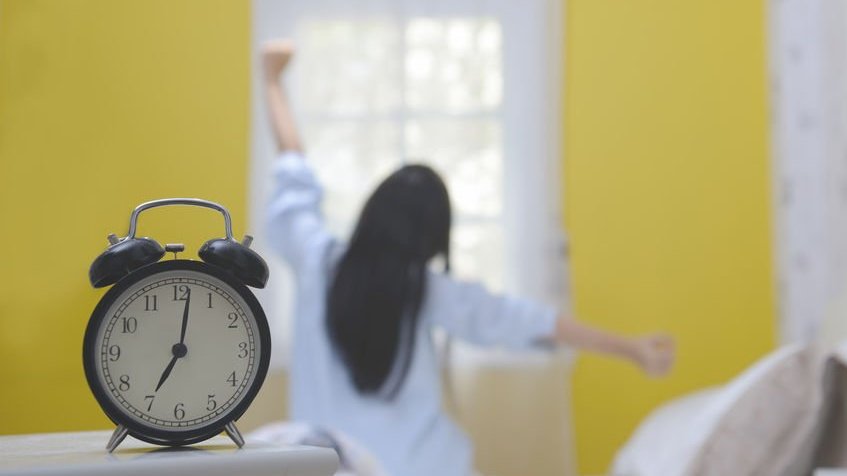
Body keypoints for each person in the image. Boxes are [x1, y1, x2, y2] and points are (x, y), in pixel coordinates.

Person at [262, 39, 674, 476]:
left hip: (332, 467)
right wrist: (630, 349)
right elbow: (532, 321)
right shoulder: (429, 291)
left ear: (372, 212)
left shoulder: (316, 258)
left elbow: (293, 170)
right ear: (431, 240)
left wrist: (271, 80)